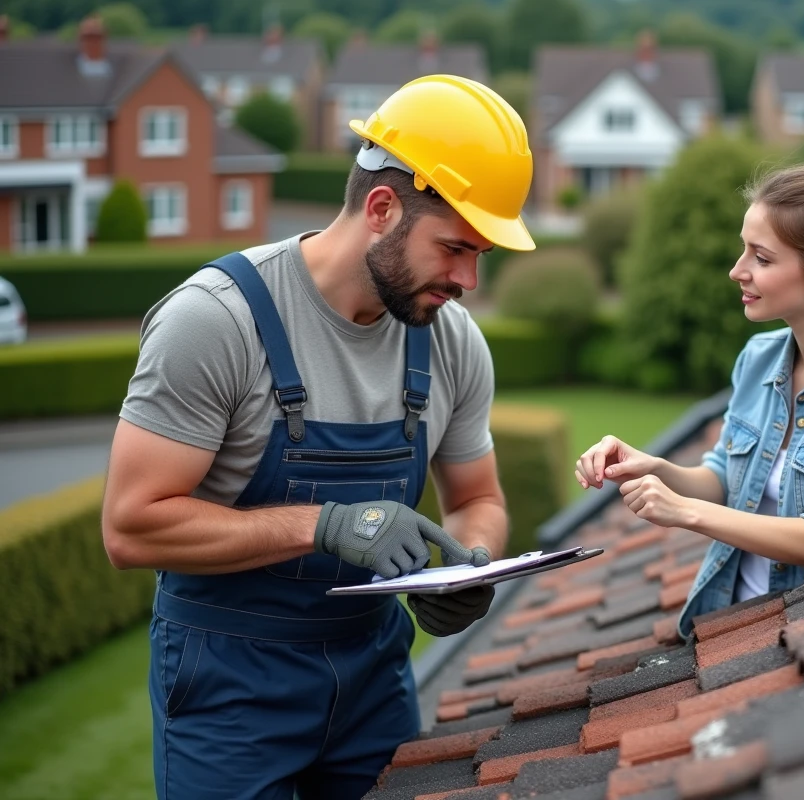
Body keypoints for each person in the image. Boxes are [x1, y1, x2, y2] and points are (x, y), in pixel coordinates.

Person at [100, 75, 534, 799]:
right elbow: (130, 528)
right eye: (455, 247)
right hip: (228, 686)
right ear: (382, 208)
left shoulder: (451, 341)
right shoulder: (216, 321)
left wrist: (474, 563)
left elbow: (477, 495)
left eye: (482, 255)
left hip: (374, 677)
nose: (468, 279)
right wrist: (326, 525)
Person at [575, 164, 804, 636]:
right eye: (743, 249)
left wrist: (688, 515)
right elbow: (725, 479)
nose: (737, 271)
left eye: (762, 258)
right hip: (726, 616)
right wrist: (653, 468)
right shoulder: (759, 358)